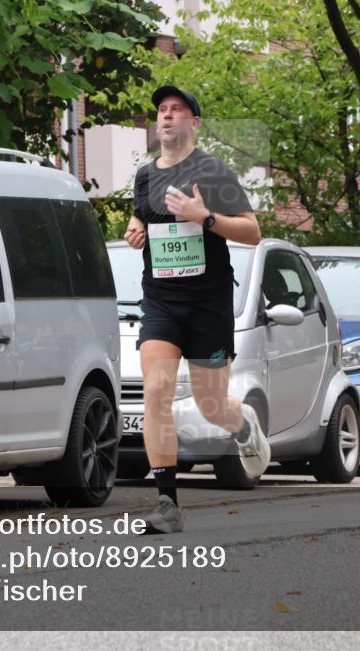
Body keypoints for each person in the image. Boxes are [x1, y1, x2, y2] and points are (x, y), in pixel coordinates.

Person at [125, 85, 269, 534]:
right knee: (156, 391)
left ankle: (242, 424)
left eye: (177, 110)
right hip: (162, 300)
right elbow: (140, 218)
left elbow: (252, 232)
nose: (166, 117)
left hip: (207, 304)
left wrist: (204, 216)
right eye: (161, 111)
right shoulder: (146, 177)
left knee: (211, 407)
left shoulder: (213, 171)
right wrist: (135, 229)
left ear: (194, 122)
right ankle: (167, 503)